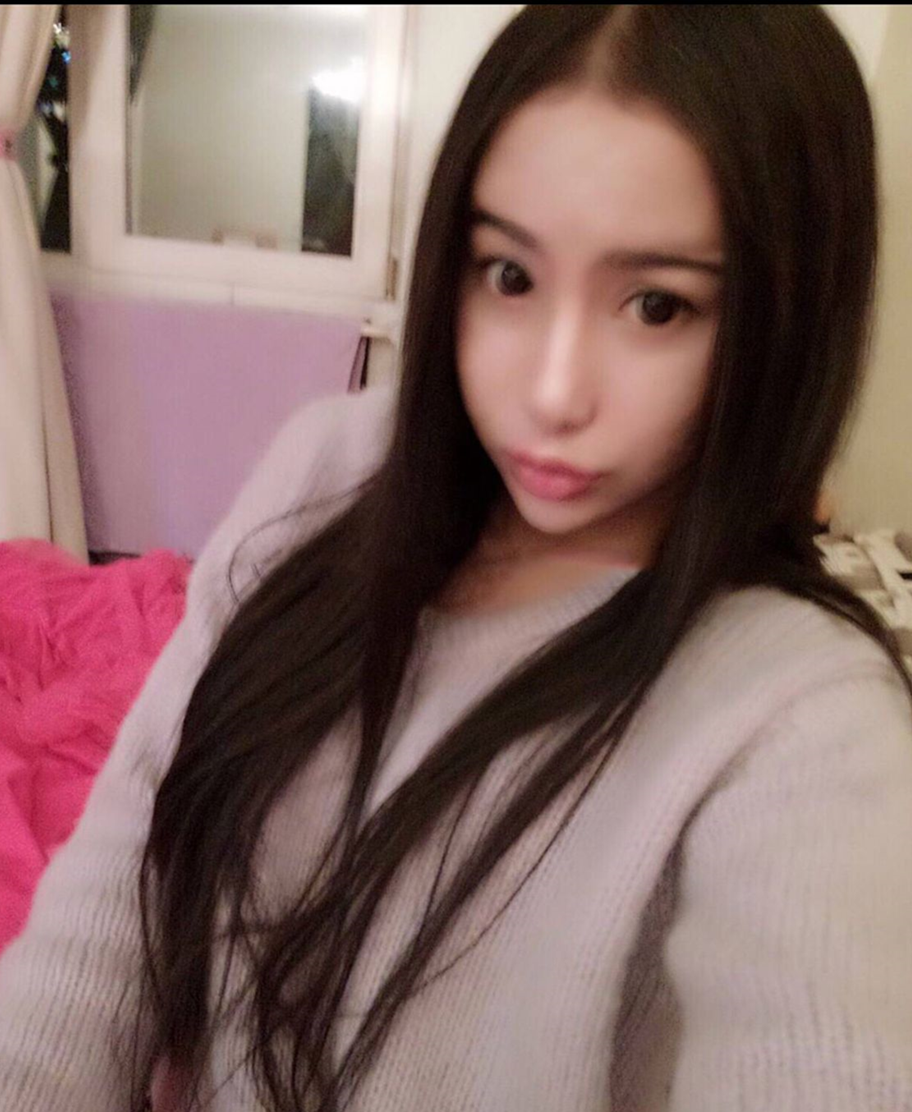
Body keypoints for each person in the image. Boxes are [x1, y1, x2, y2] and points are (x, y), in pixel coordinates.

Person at [2, 6, 911, 1111]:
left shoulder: (805, 721)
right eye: (509, 276)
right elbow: (134, 843)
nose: (552, 392)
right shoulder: (333, 463)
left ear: (790, 315)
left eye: (657, 305)